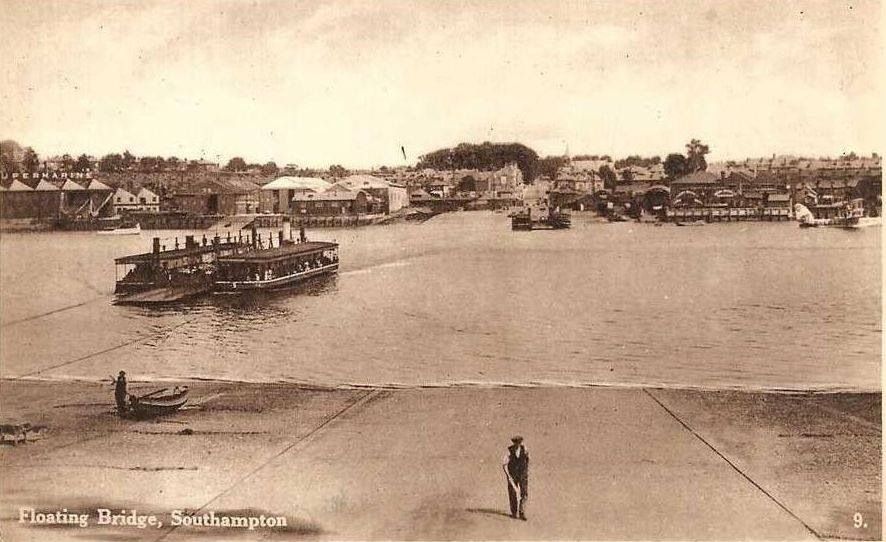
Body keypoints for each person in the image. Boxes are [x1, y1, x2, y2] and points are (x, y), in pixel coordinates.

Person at [502, 435, 529, 520]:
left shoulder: (525, 449)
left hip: (522, 474)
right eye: (516, 442)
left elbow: (527, 460)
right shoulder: (509, 451)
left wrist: (525, 471)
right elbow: (504, 464)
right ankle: (514, 512)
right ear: (513, 443)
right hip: (512, 475)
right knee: (512, 493)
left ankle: (522, 512)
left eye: (519, 442)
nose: (517, 444)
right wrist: (508, 475)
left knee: (524, 493)